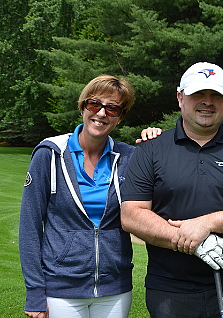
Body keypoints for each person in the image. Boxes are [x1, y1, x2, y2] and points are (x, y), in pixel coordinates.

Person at [120, 62, 223, 318]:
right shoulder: (150, 149)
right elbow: (132, 214)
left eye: (216, 95)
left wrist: (205, 224)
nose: (207, 102)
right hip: (170, 288)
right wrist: (194, 241)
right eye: (198, 95)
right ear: (180, 98)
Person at [19, 75, 136, 318]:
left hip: (115, 289)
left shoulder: (128, 157)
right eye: (95, 104)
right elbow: (29, 226)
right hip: (61, 290)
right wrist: (34, 292)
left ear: (120, 117)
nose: (102, 113)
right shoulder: (49, 154)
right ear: (83, 106)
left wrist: (155, 140)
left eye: (112, 108)